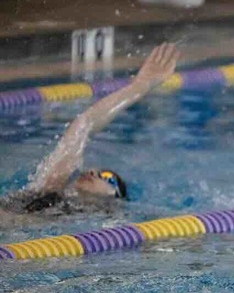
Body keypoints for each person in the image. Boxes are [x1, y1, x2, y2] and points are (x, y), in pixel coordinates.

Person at [3, 43, 180, 216]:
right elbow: (84, 124)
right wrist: (140, 86)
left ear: (115, 197)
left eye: (107, 176)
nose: (93, 173)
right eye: (95, 171)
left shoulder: (104, 226)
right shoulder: (49, 187)